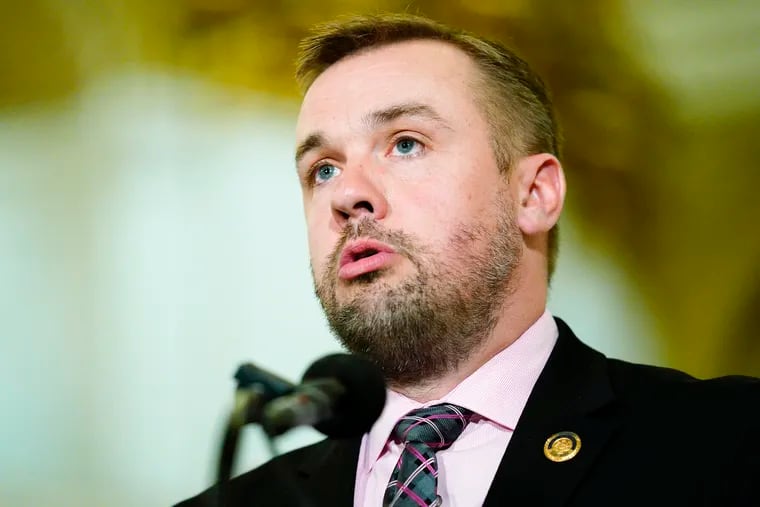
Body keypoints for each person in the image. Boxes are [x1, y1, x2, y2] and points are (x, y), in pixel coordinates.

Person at [175, 13, 759, 507]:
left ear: (534, 195)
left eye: (405, 143)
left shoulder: (726, 442)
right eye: (321, 169)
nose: (346, 193)